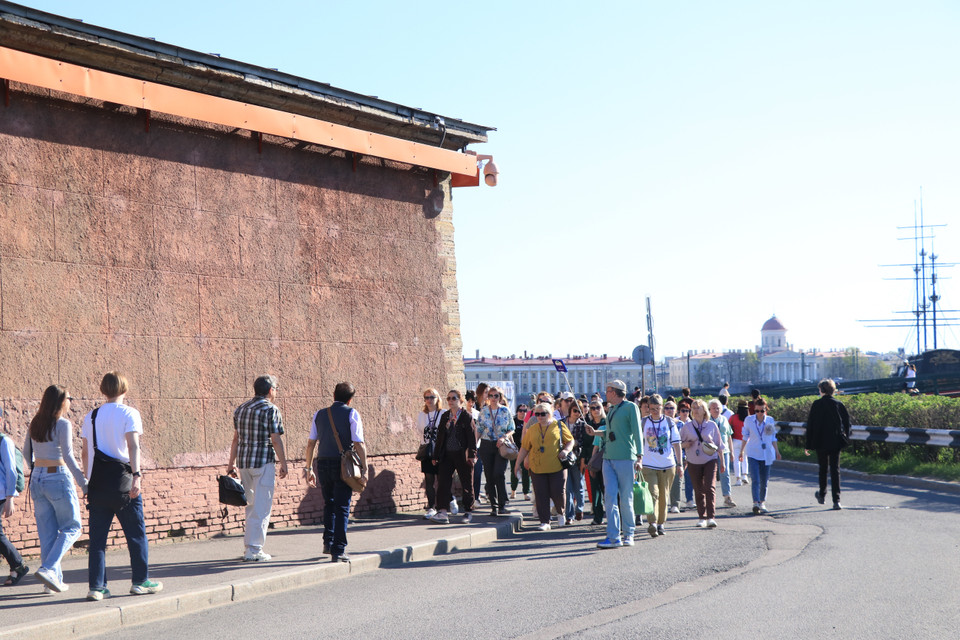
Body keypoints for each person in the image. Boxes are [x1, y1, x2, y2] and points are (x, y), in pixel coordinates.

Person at [81, 371, 162, 600]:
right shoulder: (129, 413)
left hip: (98, 484)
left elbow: (86, 452)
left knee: (97, 540)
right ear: (124, 390)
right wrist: (137, 475)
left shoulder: (91, 416)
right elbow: (133, 446)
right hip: (123, 483)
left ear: (103, 390)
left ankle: (97, 587)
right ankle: (140, 581)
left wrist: (87, 482)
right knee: (136, 534)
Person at [25, 385, 87, 593]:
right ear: (61, 401)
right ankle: (49, 569)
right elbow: (68, 456)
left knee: (48, 534)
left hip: (37, 478)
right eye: (69, 397)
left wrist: (37, 469)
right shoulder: (63, 424)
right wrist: (83, 483)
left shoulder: (35, 422)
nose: (70, 401)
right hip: (58, 476)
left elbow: (26, 453)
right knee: (73, 527)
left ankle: (51, 583)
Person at [227, 375, 289, 562]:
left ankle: (250, 547)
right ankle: (254, 549)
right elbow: (275, 439)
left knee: (251, 505)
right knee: (262, 507)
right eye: (276, 388)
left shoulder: (241, 409)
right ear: (270, 390)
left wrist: (231, 464)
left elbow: (236, 439)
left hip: (244, 462)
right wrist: (284, 463)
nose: (276, 392)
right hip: (263, 462)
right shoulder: (271, 409)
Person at [304, 382, 366, 562]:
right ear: (350, 399)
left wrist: (308, 468)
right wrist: (365, 468)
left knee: (329, 504)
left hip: (322, 463)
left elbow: (311, 443)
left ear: (334, 395)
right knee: (342, 507)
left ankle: (328, 542)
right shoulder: (352, 413)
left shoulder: (319, 414)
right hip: (342, 465)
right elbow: (359, 443)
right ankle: (338, 550)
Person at [584, 380, 643, 549]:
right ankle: (613, 536)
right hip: (608, 458)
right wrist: (596, 432)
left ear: (615, 392)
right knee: (609, 498)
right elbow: (610, 432)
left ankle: (629, 534)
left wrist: (640, 457)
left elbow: (637, 433)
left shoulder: (631, 407)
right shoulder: (611, 409)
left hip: (626, 458)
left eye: (608, 390)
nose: (605, 393)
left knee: (626, 498)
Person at [515, 403, 574, 531]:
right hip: (537, 467)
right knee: (541, 494)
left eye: (543, 414)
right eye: (537, 414)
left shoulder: (558, 425)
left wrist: (566, 450)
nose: (540, 417)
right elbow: (524, 447)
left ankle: (560, 512)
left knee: (558, 492)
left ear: (550, 413)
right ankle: (545, 521)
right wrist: (517, 464)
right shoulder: (532, 429)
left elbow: (570, 440)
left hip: (557, 466)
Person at [431, 390, 477, 524]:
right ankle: (443, 512)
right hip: (447, 454)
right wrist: (436, 455)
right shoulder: (445, 416)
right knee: (443, 482)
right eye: (449, 399)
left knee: (466, 482)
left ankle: (468, 511)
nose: (451, 401)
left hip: (462, 455)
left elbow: (471, 437)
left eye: (454, 398)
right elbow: (440, 437)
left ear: (460, 400)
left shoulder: (466, 416)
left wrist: (472, 455)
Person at [804, 379, 851, 510]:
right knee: (835, 470)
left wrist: (808, 444)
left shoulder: (816, 404)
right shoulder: (838, 404)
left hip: (820, 442)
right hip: (835, 441)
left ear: (822, 390)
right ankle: (836, 500)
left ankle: (822, 495)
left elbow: (811, 425)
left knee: (823, 469)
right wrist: (846, 436)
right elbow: (847, 423)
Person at [640, 395, 682, 537]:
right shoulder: (644, 422)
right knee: (653, 494)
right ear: (648, 408)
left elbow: (676, 444)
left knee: (664, 496)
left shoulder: (669, 422)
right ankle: (652, 523)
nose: (655, 411)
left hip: (667, 465)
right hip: (648, 464)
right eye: (652, 409)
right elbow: (639, 443)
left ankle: (660, 524)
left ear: (662, 407)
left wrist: (680, 464)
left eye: (658, 408)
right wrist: (637, 460)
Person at [681, 400, 725, 528]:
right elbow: (678, 443)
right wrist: (686, 444)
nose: (694, 410)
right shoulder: (687, 426)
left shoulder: (712, 425)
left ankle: (711, 517)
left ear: (704, 410)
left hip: (710, 459)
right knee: (698, 489)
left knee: (710, 487)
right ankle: (702, 517)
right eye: (693, 408)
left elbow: (719, 445)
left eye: (697, 408)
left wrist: (722, 462)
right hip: (693, 460)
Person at [739, 398, 781, 514]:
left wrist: (777, 451)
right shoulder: (749, 420)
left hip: (766, 454)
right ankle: (755, 503)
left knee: (764, 480)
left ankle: (762, 502)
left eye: (762, 411)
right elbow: (745, 436)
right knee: (756, 479)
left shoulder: (770, 420)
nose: (759, 414)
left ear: (765, 410)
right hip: (753, 453)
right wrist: (741, 451)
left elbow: (772, 437)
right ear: (754, 410)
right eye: (757, 411)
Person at [477, 386, 514, 516]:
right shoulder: (483, 411)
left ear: (500, 397)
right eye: (491, 395)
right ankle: (494, 505)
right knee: (489, 475)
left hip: (501, 446)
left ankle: (502, 504)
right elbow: (479, 429)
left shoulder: (505, 411)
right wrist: (473, 446)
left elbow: (511, 428)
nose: (493, 398)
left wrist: (504, 437)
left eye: (496, 396)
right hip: (486, 445)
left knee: (498, 473)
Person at [1, 428, 27, 587]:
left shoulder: (4, 441)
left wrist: (10, 497)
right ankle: (17, 566)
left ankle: (18, 565)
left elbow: (11, 471)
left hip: (2, 493)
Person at [417, 388, 444, 519]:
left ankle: (445, 503)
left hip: (440, 451)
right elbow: (420, 432)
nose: (429, 400)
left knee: (441, 479)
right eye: (426, 398)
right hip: (427, 450)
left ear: (437, 398)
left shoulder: (443, 413)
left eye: (431, 397)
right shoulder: (422, 415)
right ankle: (431, 507)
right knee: (429, 479)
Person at [708, 399, 736, 508]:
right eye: (713, 408)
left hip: (725, 451)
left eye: (718, 408)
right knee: (710, 475)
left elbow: (729, 436)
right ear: (709, 410)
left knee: (726, 473)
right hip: (711, 452)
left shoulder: (724, 419)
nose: (716, 410)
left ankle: (727, 497)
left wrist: (732, 452)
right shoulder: (707, 421)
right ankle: (710, 498)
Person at [563, 403, 587, 524]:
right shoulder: (561, 423)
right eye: (575, 410)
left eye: (579, 411)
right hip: (564, 459)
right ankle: (569, 515)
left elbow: (584, 443)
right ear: (570, 410)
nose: (577, 413)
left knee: (579, 486)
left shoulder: (583, 424)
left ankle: (579, 508)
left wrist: (574, 443)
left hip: (577, 459)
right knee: (568, 489)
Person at [584, 401, 606, 525]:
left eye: (598, 407)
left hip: (607, 459)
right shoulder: (588, 424)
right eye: (592, 408)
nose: (595, 410)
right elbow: (587, 443)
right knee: (595, 489)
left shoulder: (606, 424)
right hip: (592, 460)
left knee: (607, 489)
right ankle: (598, 516)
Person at [664, 400, 684, 514]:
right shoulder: (661, 423)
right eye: (667, 408)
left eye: (672, 408)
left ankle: (675, 504)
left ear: (676, 411)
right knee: (665, 481)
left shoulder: (681, 424)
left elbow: (685, 440)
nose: (669, 410)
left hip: (678, 455)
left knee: (677, 481)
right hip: (664, 455)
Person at [510, 405, 530, 500]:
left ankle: (526, 492)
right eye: (520, 410)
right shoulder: (513, 421)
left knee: (526, 471)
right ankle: (513, 491)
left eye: (524, 411)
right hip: (515, 450)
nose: (522, 412)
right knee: (514, 469)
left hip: (526, 449)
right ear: (517, 411)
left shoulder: (529, 422)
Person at [729, 399, 750, 486]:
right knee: (745, 458)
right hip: (746, 441)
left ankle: (738, 479)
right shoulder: (749, 418)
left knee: (736, 460)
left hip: (736, 440)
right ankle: (745, 475)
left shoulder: (733, 418)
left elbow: (728, 428)